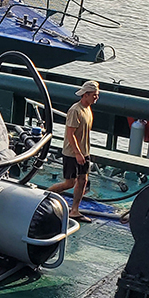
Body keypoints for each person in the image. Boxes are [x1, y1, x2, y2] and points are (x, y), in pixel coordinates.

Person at [48, 80, 99, 222]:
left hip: (85, 151)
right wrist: (77, 153)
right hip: (72, 153)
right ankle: (45, 195)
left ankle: (75, 210)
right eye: (94, 95)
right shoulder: (75, 110)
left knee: (83, 179)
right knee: (70, 182)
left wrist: (83, 152)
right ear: (86, 95)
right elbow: (70, 134)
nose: (96, 97)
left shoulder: (88, 109)